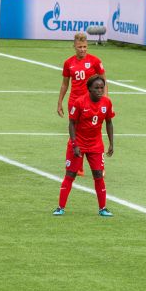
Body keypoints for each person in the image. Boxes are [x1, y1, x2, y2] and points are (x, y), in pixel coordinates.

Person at [52, 75, 115, 217]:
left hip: (96, 145)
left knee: (98, 175)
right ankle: (60, 207)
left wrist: (111, 143)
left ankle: (103, 208)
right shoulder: (80, 102)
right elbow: (72, 123)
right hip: (78, 143)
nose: (100, 91)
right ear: (89, 89)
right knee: (70, 174)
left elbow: (109, 122)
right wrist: (74, 144)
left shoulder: (107, 103)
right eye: (96, 88)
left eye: (101, 88)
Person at [57, 32, 107, 120]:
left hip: (90, 100)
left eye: (84, 47)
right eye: (80, 47)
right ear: (74, 47)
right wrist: (59, 103)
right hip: (74, 100)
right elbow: (65, 84)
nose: (82, 49)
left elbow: (104, 82)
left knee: (89, 127)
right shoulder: (68, 63)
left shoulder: (95, 61)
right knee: (74, 127)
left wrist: (105, 100)